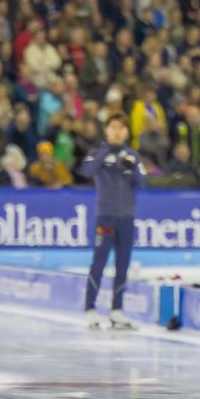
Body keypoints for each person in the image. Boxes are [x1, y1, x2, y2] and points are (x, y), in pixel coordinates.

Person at [80, 116, 146, 329]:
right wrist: (105, 153)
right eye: (113, 127)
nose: (117, 131)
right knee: (99, 262)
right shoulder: (96, 153)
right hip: (106, 217)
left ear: (127, 132)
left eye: (122, 128)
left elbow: (143, 183)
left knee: (123, 264)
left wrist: (131, 167)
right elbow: (87, 171)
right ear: (106, 130)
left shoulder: (133, 156)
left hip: (126, 218)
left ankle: (117, 310)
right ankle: (90, 308)